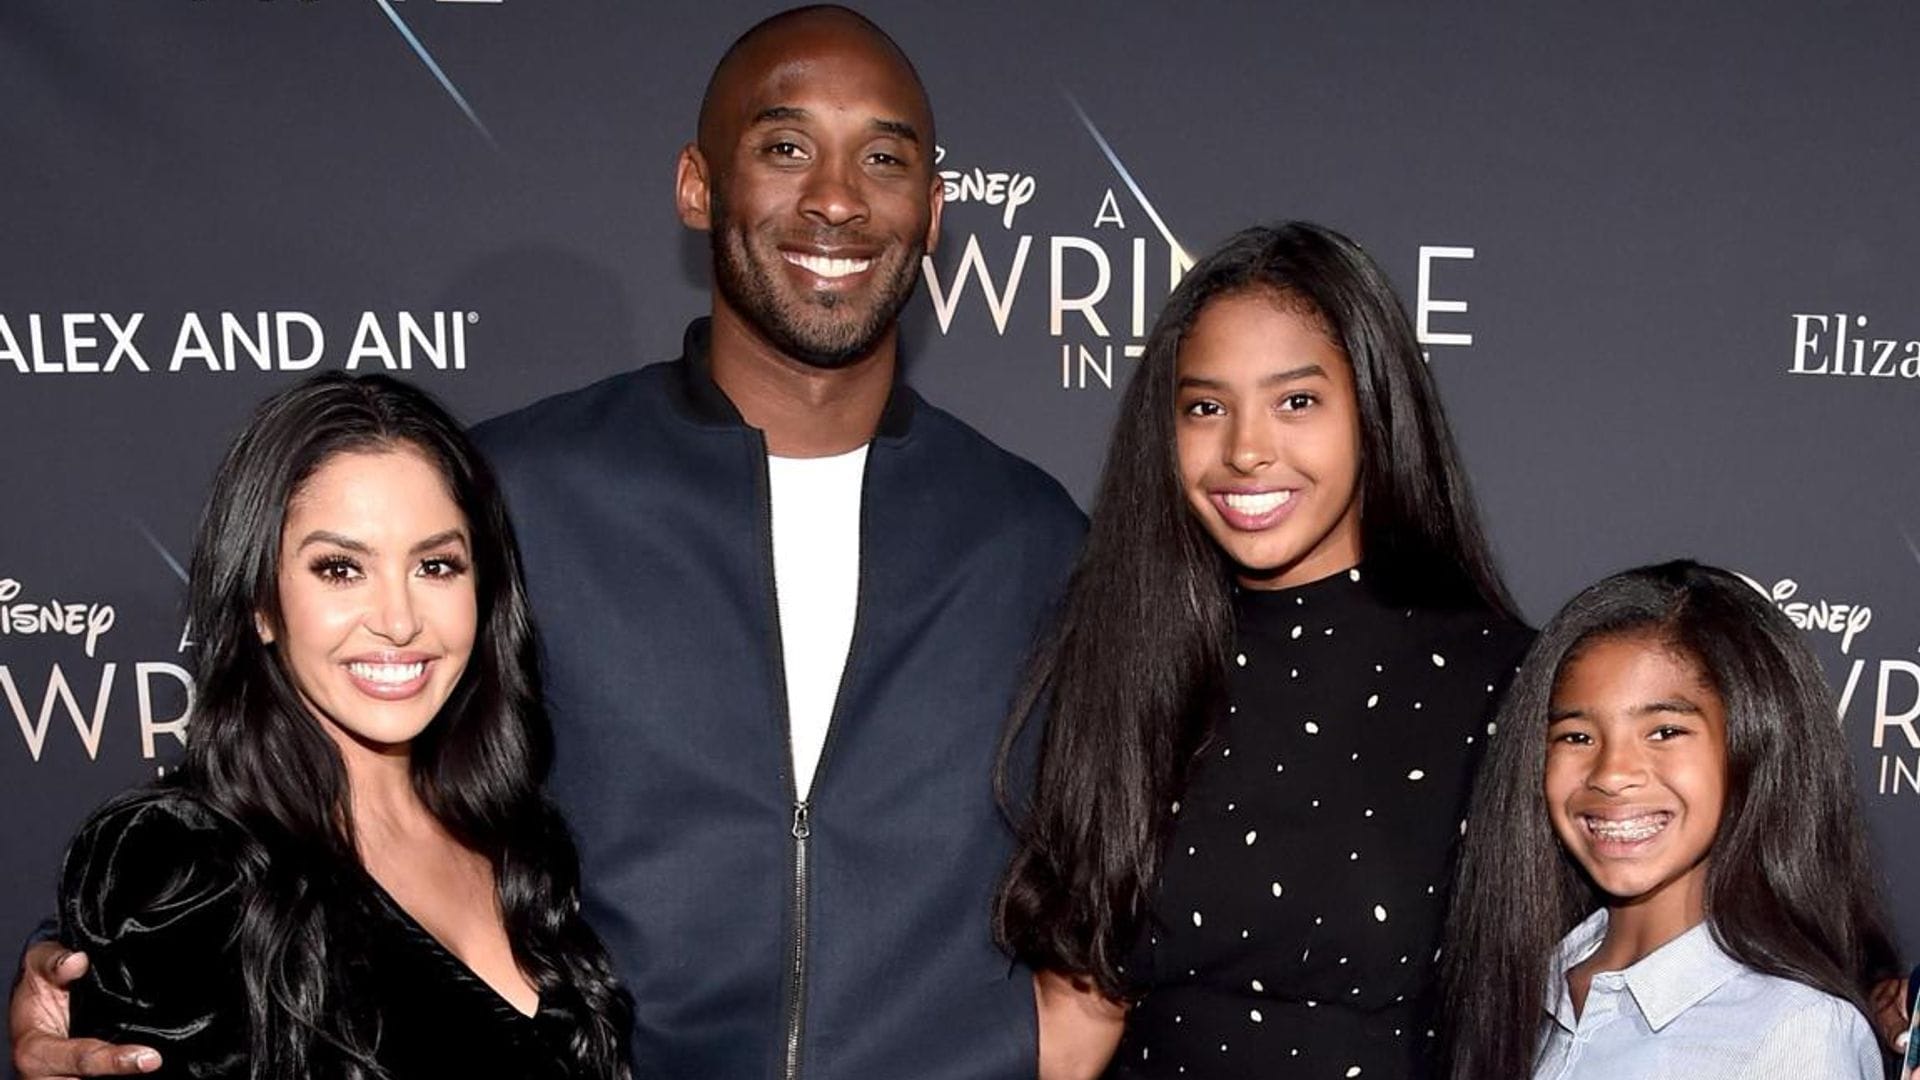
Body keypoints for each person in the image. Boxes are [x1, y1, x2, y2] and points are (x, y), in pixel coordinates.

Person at [6, 7, 1083, 1079]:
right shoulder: (506, 492)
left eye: (883, 157)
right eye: (786, 146)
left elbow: (1131, 852)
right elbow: (301, 799)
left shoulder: (1034, 538)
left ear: (936, 209)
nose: (837, 197)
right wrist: (118, 974)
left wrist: (1052, 1040)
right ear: (698, 186)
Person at [994, 221, 1531, 1080]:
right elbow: (1072, 1029)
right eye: (1205, 407)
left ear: (1375, 409)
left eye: (1296, 402)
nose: (1245, 450)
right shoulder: (1119, 663)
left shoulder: (1506, 687)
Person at [43, 374, 631, 1079]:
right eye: (341, 569)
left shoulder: (518, 837)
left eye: (436, 565)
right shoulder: (183, 865)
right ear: (262, 602)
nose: (399, 620)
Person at [1441, 560, 1902, 1079]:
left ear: (1753, 743)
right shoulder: (1516, 989)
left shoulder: (1796, 1033)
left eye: (1664, 732)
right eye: (1576, 736)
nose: (1612, 774)